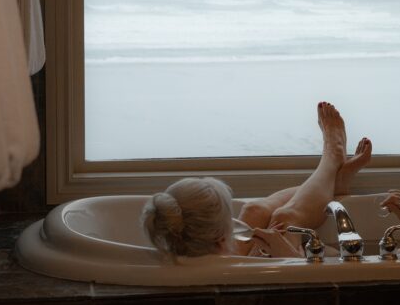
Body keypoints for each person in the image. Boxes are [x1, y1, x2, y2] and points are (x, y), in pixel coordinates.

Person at [141, 102, 372, 258]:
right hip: (274, 264)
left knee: (253, 210)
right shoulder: (226, 275)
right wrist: (284, 252)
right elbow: (309, 285)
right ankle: (332, 158)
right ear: (222, 238)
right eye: (229, 219)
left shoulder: (185, 250)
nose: (234, 221)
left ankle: (334, 180)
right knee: (286, 218)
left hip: (233, 257)